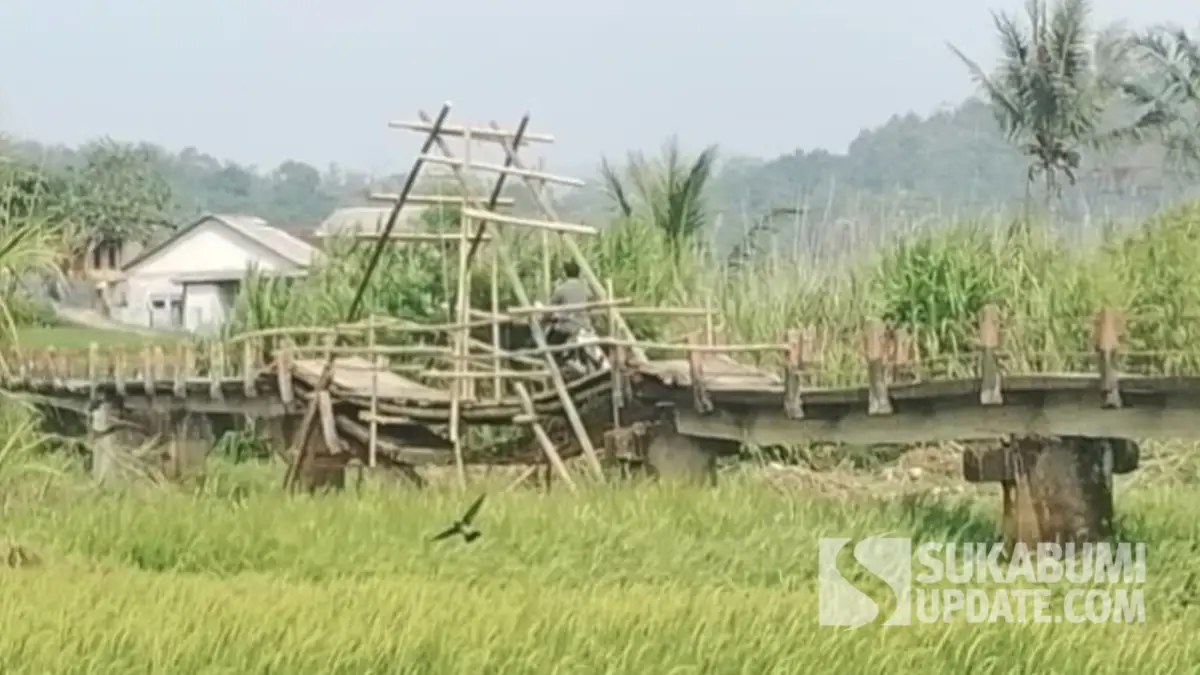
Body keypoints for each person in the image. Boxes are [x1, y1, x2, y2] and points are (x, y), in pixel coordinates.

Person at [544, 261, 593, 370]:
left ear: (565, 274)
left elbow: (550, 307)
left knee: (550, 347)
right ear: (578, 273)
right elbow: (591, 303)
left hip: (567, 326)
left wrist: (546, 317)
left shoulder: (562, 289)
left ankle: (557, 368)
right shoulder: (585, 288)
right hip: (584, 325)